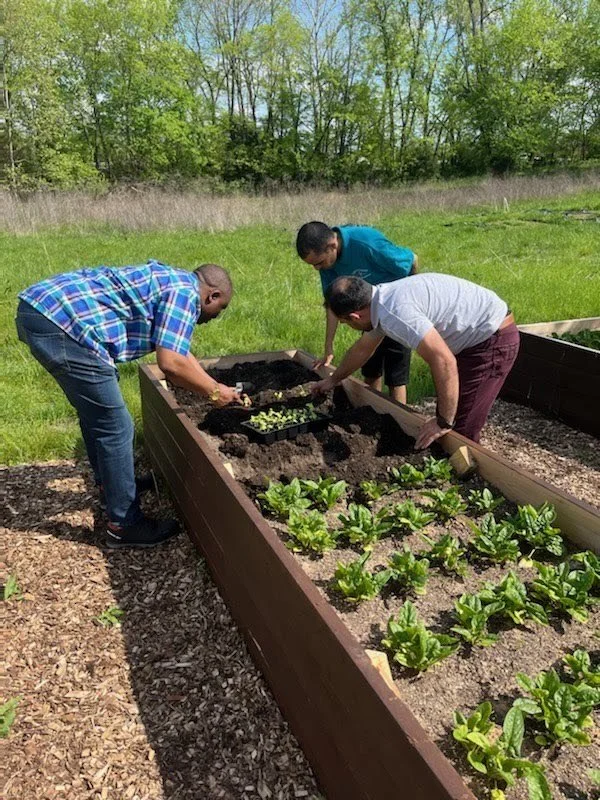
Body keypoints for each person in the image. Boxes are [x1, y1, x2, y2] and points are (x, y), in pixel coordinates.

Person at [16, 260, 243, 548]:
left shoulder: (173, 281)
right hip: (63, 324)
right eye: (219, 309)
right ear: (212, 295)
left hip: (43, 309)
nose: (215, 317)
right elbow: (171, 364)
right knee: (116, 426)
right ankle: (124, 524)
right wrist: (213, 394)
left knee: (97, 414)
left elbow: (180, 353)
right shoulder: (185, 296)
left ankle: (111, 487)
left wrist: (214, 385)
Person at [312, 273, 519, 448]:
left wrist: (443, 421)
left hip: (491, 341)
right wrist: (332, 379)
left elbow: (444, 361)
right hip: (475, 338)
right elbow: (362, 349)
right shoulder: (381, 298)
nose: (349, 327)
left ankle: (469, 481)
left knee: (461, 431)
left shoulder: (396, 314)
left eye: (344, 323)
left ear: (355, 317)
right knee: (457, 414)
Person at [296, 221, 417, 404]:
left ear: (332, 245)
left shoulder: (366, 243)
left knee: (396, 375)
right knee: (370, 369)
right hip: (368, 316)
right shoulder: (327, 265)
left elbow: (411, 260)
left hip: (396, 312)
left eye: (319, 262)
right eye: (313, 265)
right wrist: (328, 347)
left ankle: (402, 420)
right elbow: (332, 305)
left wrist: (409, 305)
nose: (317, 268)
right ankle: (372, 413)